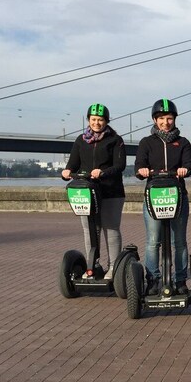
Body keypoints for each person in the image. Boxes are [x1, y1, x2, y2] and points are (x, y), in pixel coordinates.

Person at [134, 99, 191, 295]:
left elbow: (190, 163)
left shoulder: (183, 142)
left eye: (169, 118)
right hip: (154, 196)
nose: (165, 122)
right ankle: (152, 280)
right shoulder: (146, 142)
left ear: (174, 119)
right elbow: (138, 166)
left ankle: (180, 280)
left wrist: (185, 169)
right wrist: (142, 171)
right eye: (161, 118)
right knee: (153, 241)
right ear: (154, 119)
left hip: (178, 196)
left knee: (179, 241)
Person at [61, 103, 126, 279]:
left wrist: (103, 172)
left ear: (107, 121)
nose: (97, 123)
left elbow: (120, 165)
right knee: (90, 228)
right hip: (87, 191)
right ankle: (93, 265)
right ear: (88, 120)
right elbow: (73, 163)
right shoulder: (81, 140)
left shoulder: (115, 140)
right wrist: (67, 171)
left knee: (110, 229)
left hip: (111, 191)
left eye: (100, 120)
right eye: (93, 119)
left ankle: (114, 267)